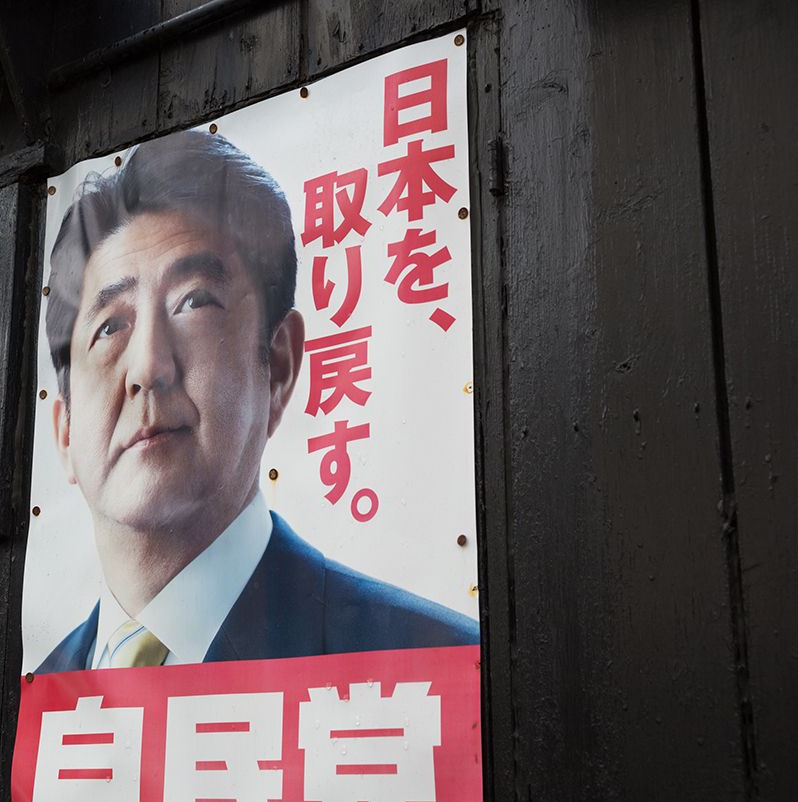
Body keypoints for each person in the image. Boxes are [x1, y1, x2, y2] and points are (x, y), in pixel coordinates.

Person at [36, 129, 476, 674]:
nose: (148, 368)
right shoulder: (32, 696)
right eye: (108, 327)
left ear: (279, 365)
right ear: (64, 431)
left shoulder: (436, 666)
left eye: (194, 301)